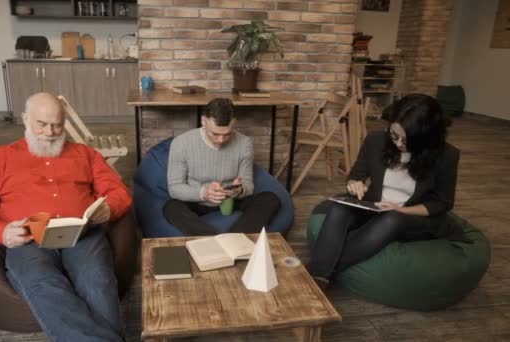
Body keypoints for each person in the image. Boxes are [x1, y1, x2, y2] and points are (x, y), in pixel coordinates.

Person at [0, 92, 132, 341]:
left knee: (97, 281)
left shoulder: (85, 154)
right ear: (25, 119)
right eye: (41, 124)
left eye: (57, 125)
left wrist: (109, 208)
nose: (49, 132)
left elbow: (118, 191)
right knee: (45, 285)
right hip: (28, 239)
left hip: (83, 235)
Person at [308, 94, 463, 289]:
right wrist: (355, 184)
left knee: (392, 219)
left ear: (425, 137)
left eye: (407, 140)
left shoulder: (447, 155)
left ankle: (318, 274)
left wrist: (399, 210)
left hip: (410, 216)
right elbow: (356, 174)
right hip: (375, 206)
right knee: (339, 208)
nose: (398, 144)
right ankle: (318, 276)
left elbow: (443, 202)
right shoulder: (376, 141)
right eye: (394, 135)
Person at [163, 98, 281, 236]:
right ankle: (212, 240)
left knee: (270, 199)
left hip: (231, 200)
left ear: (234, 123)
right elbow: (175, 187)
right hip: (197, 201)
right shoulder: (181, 143)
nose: (221, 140)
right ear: (203, 121)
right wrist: (203, 193)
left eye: (227, 134)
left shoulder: (244, 144)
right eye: (215, 134)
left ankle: (232, 240)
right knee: (171, 207)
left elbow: (248, 185)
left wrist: (240, 190)